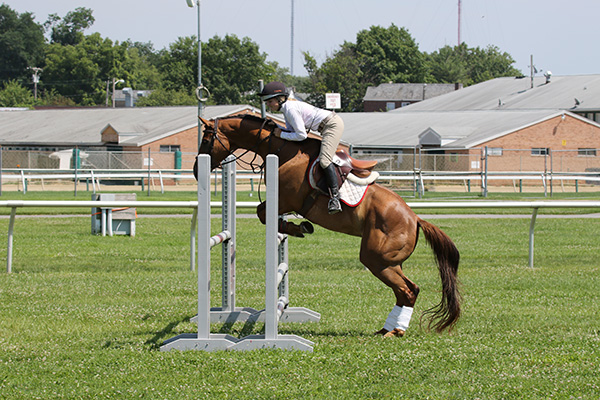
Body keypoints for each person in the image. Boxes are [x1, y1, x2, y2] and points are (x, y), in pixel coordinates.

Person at [259, 81, 344, 214]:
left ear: (279, 99)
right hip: (326, 125)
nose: (268, 105)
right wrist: (275, 127)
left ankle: (335, 198)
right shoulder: (286, 109)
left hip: (331, 125)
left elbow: (301, 135)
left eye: (270, 102)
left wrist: (280, 134)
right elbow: (290, 130)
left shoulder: (290, 109)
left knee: (324, 160)